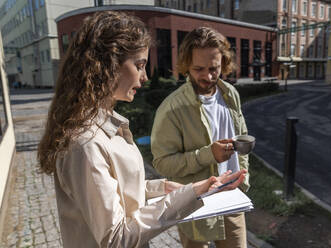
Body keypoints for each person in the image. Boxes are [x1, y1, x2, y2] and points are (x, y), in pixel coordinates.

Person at [37, 12, 247, 248]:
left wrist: (169, 188)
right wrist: (186, 196)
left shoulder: (106, 126)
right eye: (139, 65)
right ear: (108, 64)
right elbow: (116, 238)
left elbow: (122, 190)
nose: (146, 77)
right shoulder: (86, 143)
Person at [151, 27, 250, 248]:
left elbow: (240, 137)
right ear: (186, 65)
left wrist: (244, 180)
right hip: (195, 206)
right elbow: (162, 163)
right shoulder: (171, 109)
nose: (207, 76)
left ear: (223, 63)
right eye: (198, 68)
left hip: (232, 200)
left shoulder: (230, 94)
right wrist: (208, 155)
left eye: (214, 68)